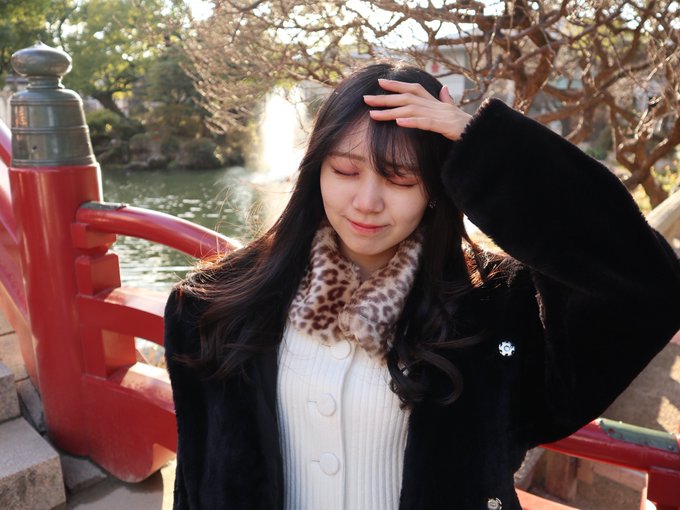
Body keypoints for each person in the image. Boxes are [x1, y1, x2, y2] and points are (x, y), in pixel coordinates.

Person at [164, 62, 680, 510]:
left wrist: (483, 143)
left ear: (436, 187)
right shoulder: (218, 306)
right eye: (345, 170)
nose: (367, 202)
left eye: (401, 179)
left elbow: (646, 284)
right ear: (316, 170)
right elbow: (196, 481)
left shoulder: (492, 314)